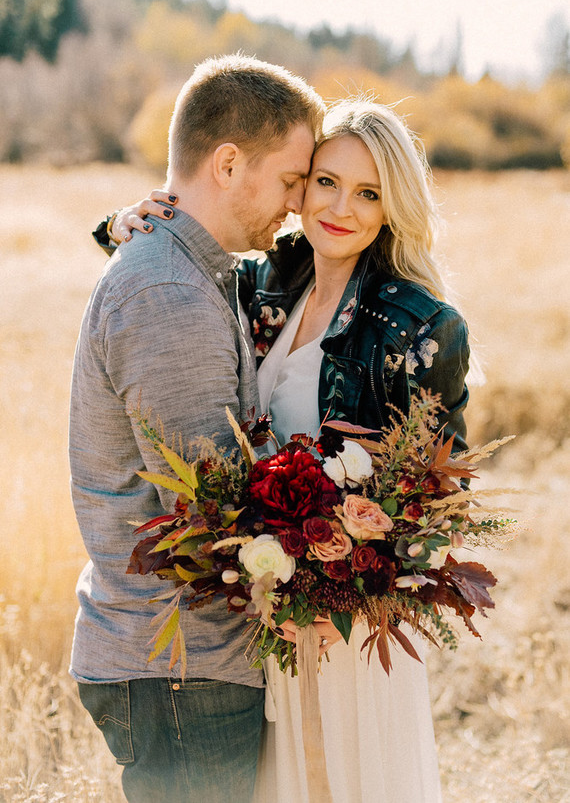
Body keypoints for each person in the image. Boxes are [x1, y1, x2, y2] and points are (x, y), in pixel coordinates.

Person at [98, 97, 470, 802]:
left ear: (393, 207)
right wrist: (125, 224)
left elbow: (441, 505)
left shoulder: (417, 326)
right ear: (298, 185)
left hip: (348, 633)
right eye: (325, 181)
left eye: (369, 193)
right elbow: (176, 262)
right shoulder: (267, 281)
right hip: (265, 626)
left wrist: (344, 598)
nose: (341, 207)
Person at [69, 52, 324, 803]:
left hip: (186, 662)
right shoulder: (167, 291)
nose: (295, 203)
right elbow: (214, 509)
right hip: (178, 665)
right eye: (289, 179)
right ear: (228, 161)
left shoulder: (192, 269)